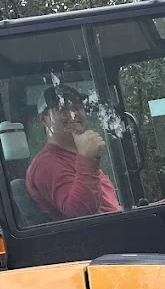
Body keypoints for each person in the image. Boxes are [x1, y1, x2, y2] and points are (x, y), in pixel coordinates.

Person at [25, 83, 122, 220]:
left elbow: (108, 209)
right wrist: (87, 160)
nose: (73, 114)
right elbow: (81, 215)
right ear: (43, 119)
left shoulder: (77, 157)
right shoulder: (46, 164)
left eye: (77, 107)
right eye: (62, 108)